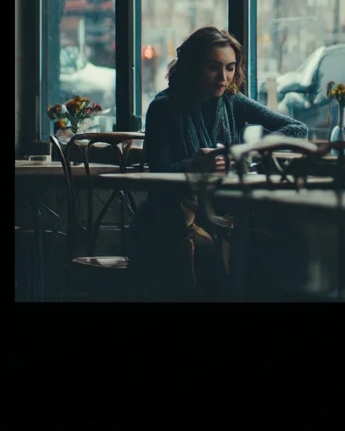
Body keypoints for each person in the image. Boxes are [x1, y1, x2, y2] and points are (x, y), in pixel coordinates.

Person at [131, 26, 309, 299]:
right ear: (192, 66)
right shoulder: (163, 108)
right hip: (175, 212)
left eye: (229, 68)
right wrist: (194, 165)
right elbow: (159, 176)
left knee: (287, 241)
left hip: (227, 207)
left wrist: (246, 152)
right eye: (213, 67)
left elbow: (297, 129)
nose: (223, 77)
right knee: (208, 251)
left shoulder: (232, 102)